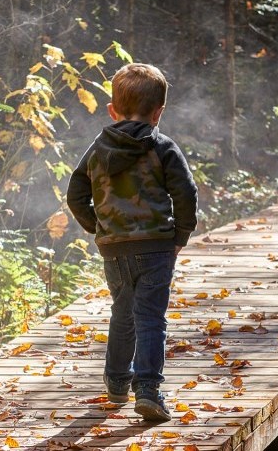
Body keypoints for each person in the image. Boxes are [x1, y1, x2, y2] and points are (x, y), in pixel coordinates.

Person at [65, 63, 198, 423]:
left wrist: (99, 228)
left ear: (112, 110)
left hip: (115, 249)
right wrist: (181, 235)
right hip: (156, 247)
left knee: (122, 313)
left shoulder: (98, 148)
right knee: (151, 318)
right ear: (159, 113)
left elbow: (75, 195)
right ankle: (149, 390)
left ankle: (117, 384)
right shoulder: (162, 147)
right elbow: (185, 193)